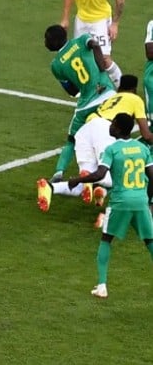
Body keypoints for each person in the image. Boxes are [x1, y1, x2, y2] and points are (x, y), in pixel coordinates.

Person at [64, 113, 153, 299]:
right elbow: (152, 174)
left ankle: (102, 285)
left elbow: (99, 174)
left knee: (106, 239)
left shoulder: (112, 149)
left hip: (121, 202)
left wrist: (78, 180)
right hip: (141, 201)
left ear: (119, 128)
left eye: (112, 124)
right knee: (150, 241)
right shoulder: (142, 148)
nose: (110, 127)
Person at [39, 74, 153, 219]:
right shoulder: (136, 99)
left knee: (86, 180)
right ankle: (102, 193)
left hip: (86, 130)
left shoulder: (110, 99)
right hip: (106, 129)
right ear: (134, 89)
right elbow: (147, 135)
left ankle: (50, 187)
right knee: (119, 176)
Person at [39, 24, 116, 192]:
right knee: (112, 134)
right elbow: (95, 45)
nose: (44, 42)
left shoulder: (56, 65)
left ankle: (58, 173)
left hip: (86, 105)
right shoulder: (81, 40)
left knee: (71, 140)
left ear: (53, 41)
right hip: (108, 95)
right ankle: (106, 179)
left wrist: (82, 86)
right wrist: (102, 67)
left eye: (46, 39)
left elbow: (72, 90)